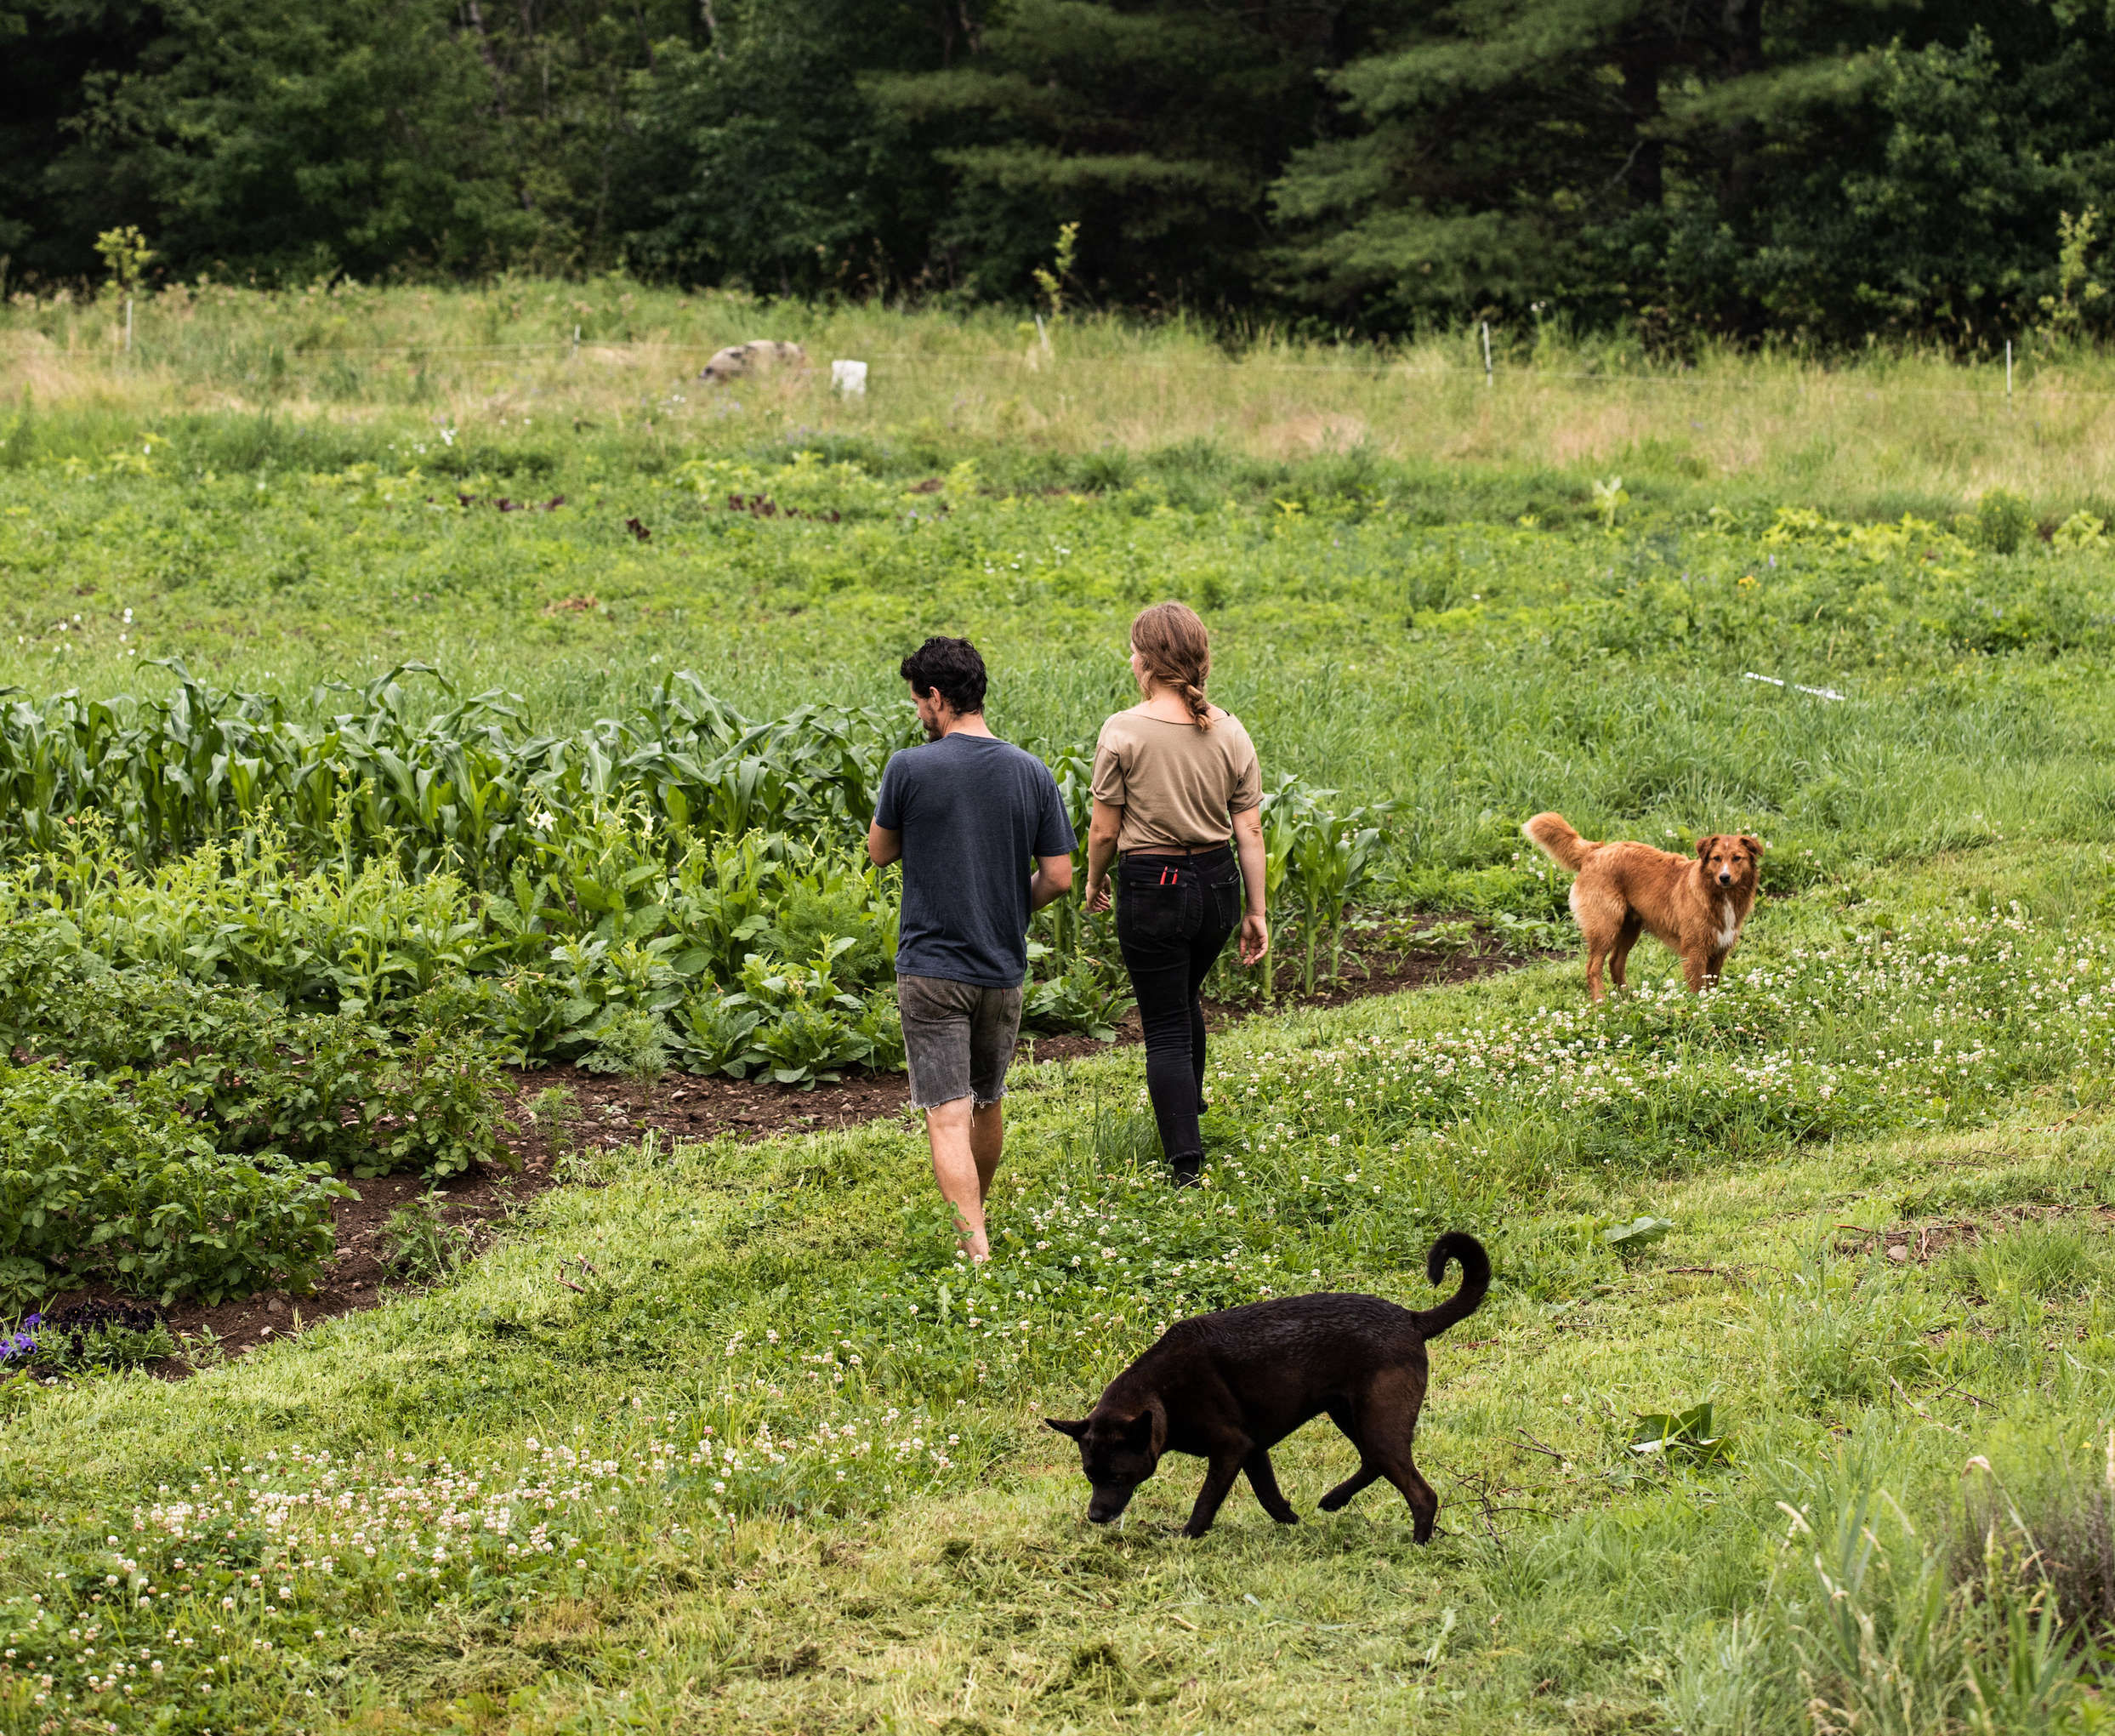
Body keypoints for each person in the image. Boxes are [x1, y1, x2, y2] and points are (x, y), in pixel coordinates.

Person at [867, 636, 1076, 1261]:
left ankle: (974, 1247)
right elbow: (1060, 877)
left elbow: (879, 852)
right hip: (1001, 966)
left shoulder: (910, 766)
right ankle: (975, 1220)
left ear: (936, 697)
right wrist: (1011, 907)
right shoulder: (1031, 771)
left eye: (916, 702)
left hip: (932, 967)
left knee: (945, 1113)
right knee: (986, 1101)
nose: (916, 715)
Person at [1082, 602, 1268, 1187]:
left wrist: (1092, 879)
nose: (1130, 658)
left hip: (1153, 887)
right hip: (1216, 887)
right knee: (1183, 994)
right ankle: (1190, 1103)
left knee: (1162, 1020)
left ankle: (1184, 1161)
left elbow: (1104, 829)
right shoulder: (1229, 728)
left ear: (1149, 662)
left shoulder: (1123, 730)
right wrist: (1256, 910)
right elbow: (1250, 831)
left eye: (1134, 649)